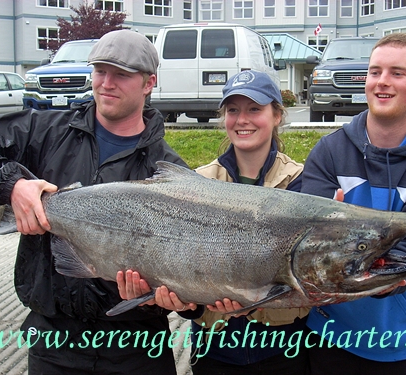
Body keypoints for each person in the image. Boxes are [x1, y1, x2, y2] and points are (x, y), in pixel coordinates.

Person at [0, 29, 187, 374]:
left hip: (137, 349)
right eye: (100, 71)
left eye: (121, 74)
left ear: (149, 82)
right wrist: (13, 185)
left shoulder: (170, 173)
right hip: (53, 341)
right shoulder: (43, 131)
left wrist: (180, 301)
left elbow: (190, 271)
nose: (107, 83)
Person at [118, 70, 312, 374]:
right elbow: (183, 267)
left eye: (254, 109)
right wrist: (187, 304)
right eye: (233, 110)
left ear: (277, 115)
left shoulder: (302, 184)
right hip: (217, 351)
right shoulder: (198, 183)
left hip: (284, 349)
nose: (242, 119)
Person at [300, 33, 406, 374]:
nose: (381, 82)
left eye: (397, 73)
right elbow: (309, 250)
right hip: (329, 337)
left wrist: (339, 238)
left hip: (404, 346)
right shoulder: (328, 152)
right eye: (375, 72)